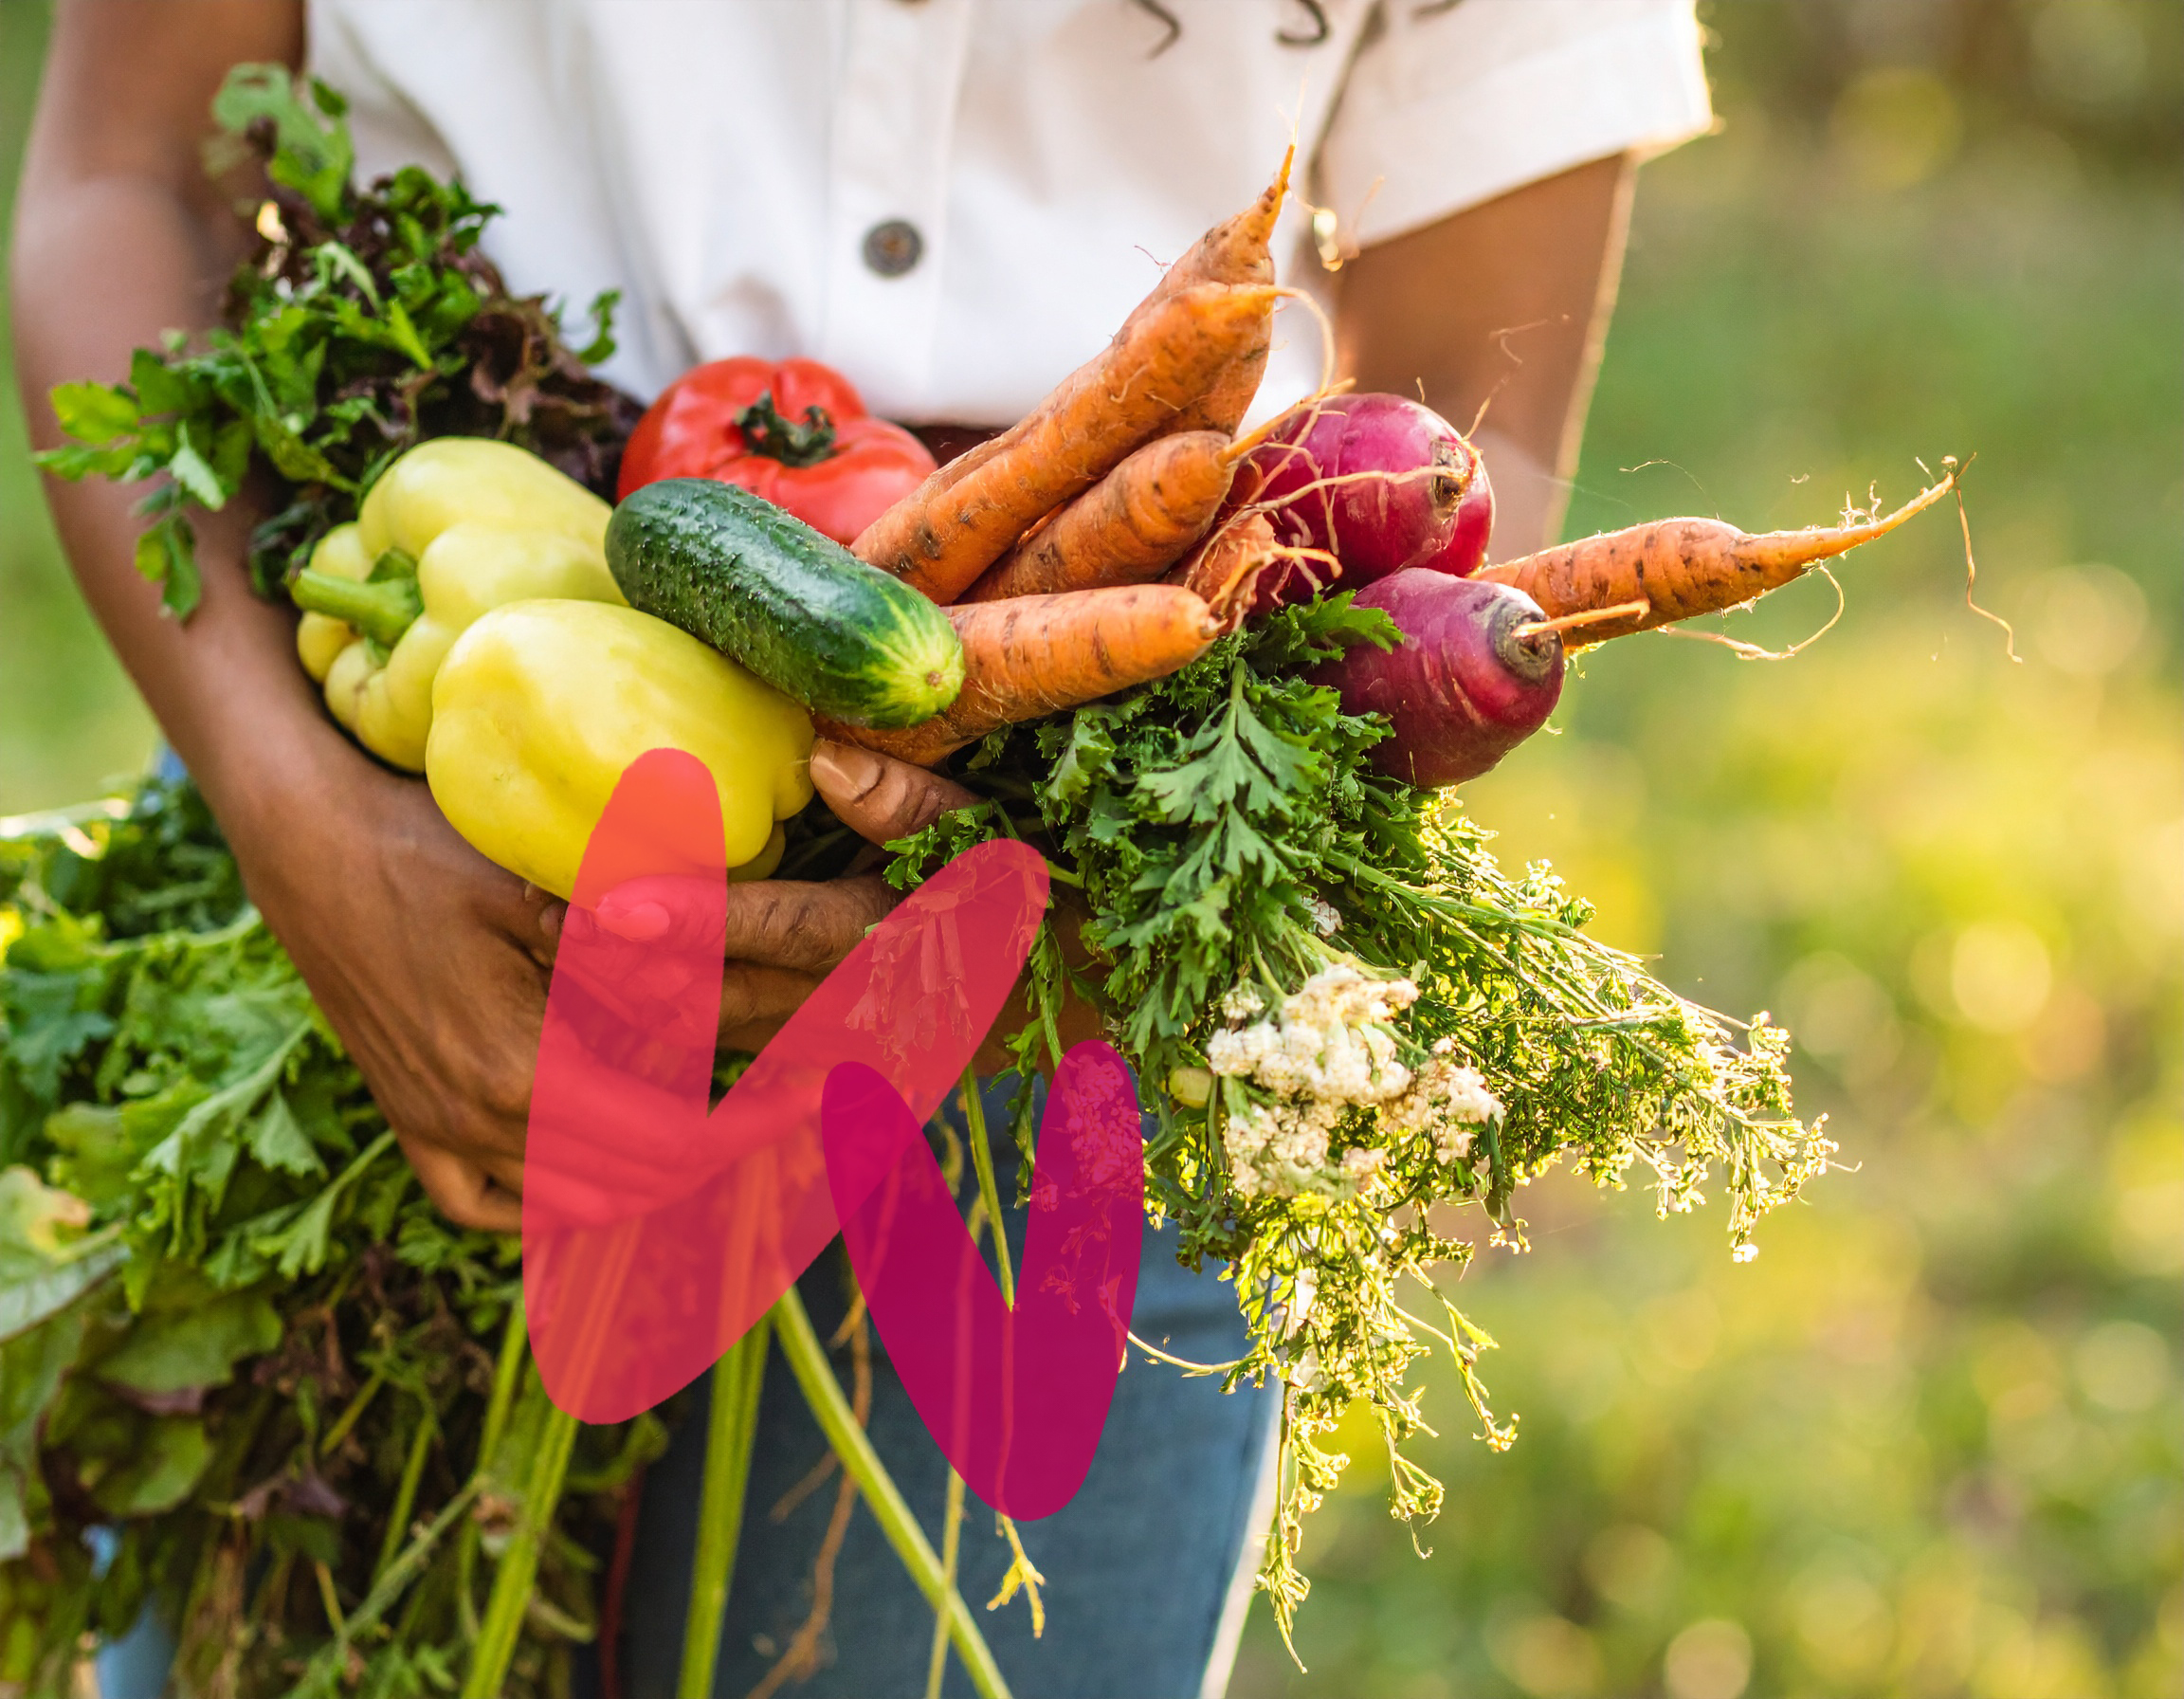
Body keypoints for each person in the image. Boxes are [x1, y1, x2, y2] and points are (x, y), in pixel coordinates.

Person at [14, 3, 1712, 1693]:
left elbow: (1474, 449)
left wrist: (1117, 876)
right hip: (402, 844)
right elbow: (127, 167)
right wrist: (298, 826)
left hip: (1099, 906)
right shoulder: (343, 839)